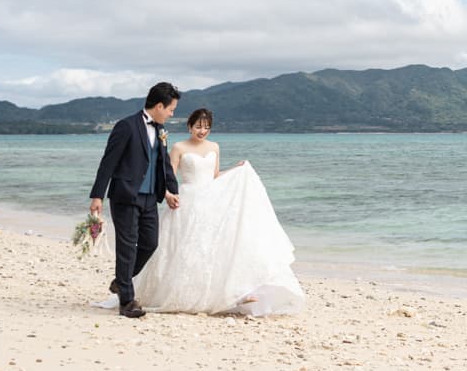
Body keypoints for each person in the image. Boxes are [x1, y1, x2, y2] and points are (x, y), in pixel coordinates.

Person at [123, 107, 305, 316]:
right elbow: (166, 176)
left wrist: (237, 170)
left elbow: (216, 174)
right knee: (185, 249)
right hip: (187, 202)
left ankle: (227, 292)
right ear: (190, 126)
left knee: (213, 248)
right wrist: (167, 194)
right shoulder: (179, 147)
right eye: (199, 127)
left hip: (211, 201)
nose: (202, 131)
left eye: (207, 128)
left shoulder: (214, 147)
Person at [89, 81, 182, 318]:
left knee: (150, 244)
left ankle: (122, 281)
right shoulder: (126, 126)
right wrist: (97, 195)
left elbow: (162, 164)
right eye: (171, 109)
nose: (172, 114)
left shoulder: (160, 131)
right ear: (159, 106)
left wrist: (171, 190)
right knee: (127, 246)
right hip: (125, 196)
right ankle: (127, 302)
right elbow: (108, 162)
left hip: (151, 197)